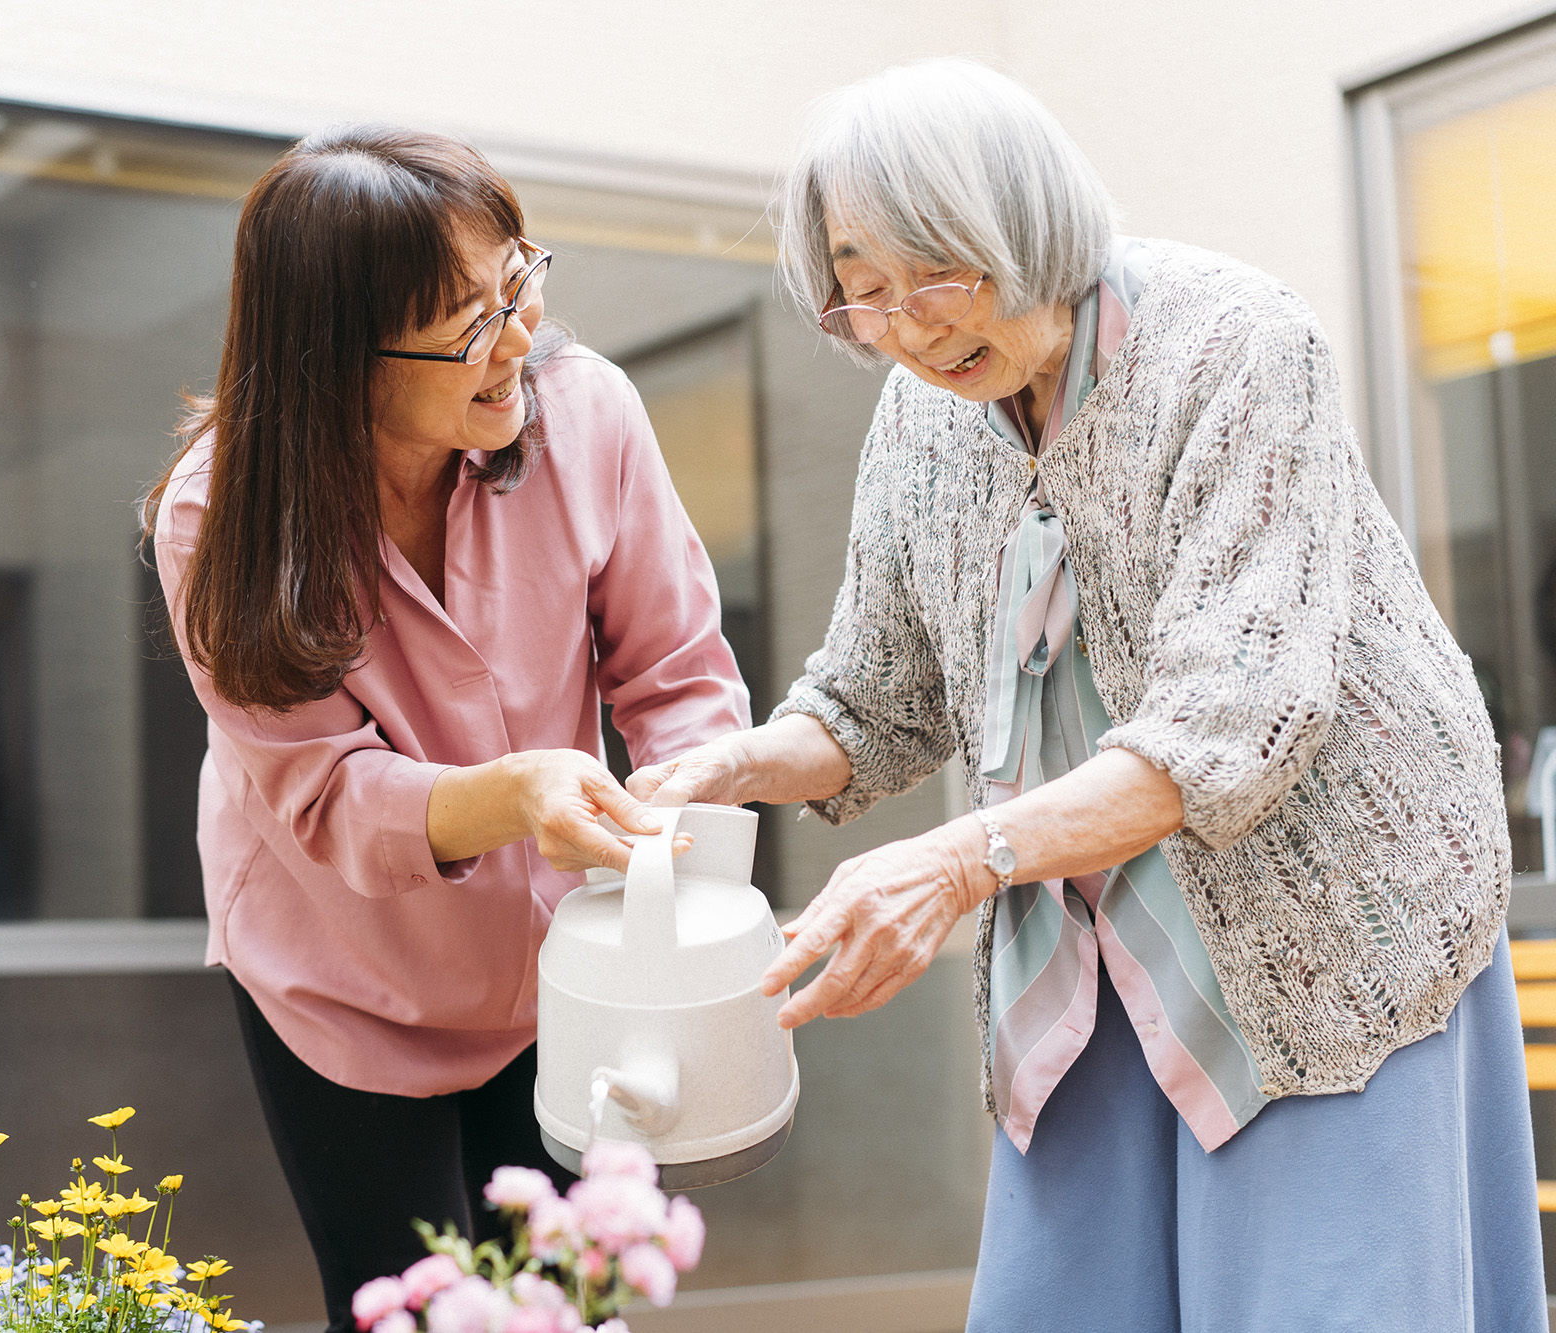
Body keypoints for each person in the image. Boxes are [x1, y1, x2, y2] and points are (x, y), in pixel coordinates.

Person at [630, 60, 1546, 1331]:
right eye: (861, 290)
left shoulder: (1235, 345)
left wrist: (955, 863)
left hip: (1325, 928)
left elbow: (1231, 729)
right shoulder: (918, 416)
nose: (905, 324)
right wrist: (741, 762)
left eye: (938, 273)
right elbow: (870, 697)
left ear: (1026, 221)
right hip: (1079, 944)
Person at [146, 124, 749, 1331]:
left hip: (557, 968)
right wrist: (521, 795)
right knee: (406, 1313)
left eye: (516, 282)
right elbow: (323, 791)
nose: (517, 336)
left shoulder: (585, 416)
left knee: (565, 1303)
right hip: (342, 978)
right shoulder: (220, 517)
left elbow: (675, 668)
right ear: (338, 360)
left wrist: (679, 842)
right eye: (467, 324)